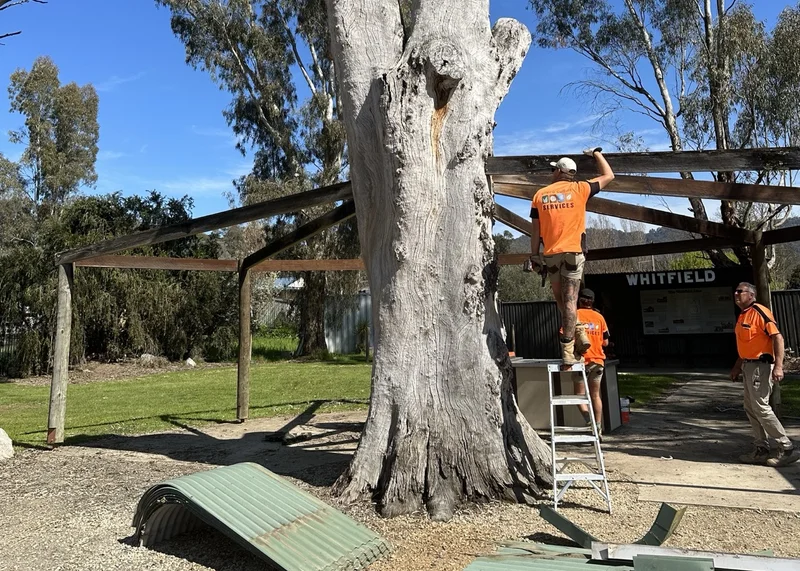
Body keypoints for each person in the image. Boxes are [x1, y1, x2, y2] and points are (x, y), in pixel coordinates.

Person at [529, 148, 614, 365]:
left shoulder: (540, 195)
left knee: (561, 300)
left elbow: (536, 232)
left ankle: (577, 334)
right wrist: (596, 153)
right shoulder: (580, 189)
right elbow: (609, 176)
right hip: (573, 254)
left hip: (551, 255)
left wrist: (534, 255)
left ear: (558, 171)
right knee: (569, 301)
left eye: (553, 170)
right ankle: (569, 347)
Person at [730, 282, 799, 467]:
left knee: (760, 406)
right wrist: (738, 366)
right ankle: (761, 449)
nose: (736, 294)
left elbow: (778, 337)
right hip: (748, 366)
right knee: (750, 407)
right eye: (735, 291)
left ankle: (786, 447)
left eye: (740, 291)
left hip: (761, 366)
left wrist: (778, 366)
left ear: (751, 295)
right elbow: (747, 345)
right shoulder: (743, 315)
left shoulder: (760, 311)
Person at [573, 288, 609, 434]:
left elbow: (565, 336)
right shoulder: (599, 317)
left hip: (582, 362)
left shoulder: (574, 315)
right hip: (598, 361)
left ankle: (589, 421)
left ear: (579, 300)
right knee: (595, 395)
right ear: (592, 301)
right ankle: (599, 425)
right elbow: (605, 342)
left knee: (579, 396)